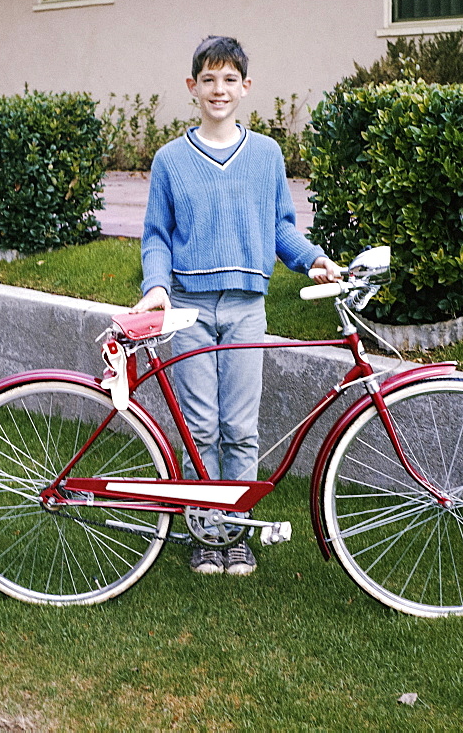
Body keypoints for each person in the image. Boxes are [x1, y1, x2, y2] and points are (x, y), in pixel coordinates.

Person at [130, 36, 340, 576]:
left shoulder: (266, 154)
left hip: (247, 309)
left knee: (241, 428)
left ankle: (238, 533)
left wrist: (312, 259)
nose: (218, 90)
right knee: (201, 427)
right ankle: (207, 533)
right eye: (208, 79)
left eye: (230, 80)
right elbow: (157, 235)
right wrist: (157, 286)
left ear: (246, 87)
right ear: (192, 87)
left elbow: (280, 228)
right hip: (190, 309)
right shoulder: (171, 160)